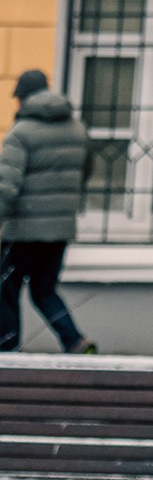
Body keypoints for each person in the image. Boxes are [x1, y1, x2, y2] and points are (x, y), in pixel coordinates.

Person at [0, 66, 96, 354]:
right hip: (60, 230)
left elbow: (6, 186)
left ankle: (7, 349)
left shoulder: (20, 133)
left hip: (22, 231)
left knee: (6, 289)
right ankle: (75, 341)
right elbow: (85, 172)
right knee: (44, 290)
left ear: (23, 97)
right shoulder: (78, 129)